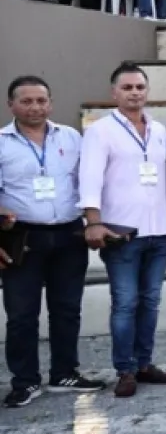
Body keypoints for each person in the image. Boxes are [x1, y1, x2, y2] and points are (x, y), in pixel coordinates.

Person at [1, 76, 102, 407]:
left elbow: (86, 180)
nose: (35, 107)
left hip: (68, 234)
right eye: (27, 101)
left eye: (41, 101)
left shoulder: (71, 137)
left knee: (67, 309)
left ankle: (64, 372)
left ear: (51, 103)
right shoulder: (2, 143)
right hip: (22, 238)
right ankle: (25, 380)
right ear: (11, 105)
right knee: (21, 314)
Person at [79, 63, 166, 397]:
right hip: (121, 231)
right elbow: (89, 178)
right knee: (125, 302)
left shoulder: (159, 129)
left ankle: (145, 364)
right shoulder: (100, 131)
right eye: (127, 88)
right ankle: (125, 369)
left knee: (150, 301)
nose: (134, 93)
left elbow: (165, 178)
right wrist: (93, 222)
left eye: (139, 87)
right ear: (114, 93)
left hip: (159, 230)